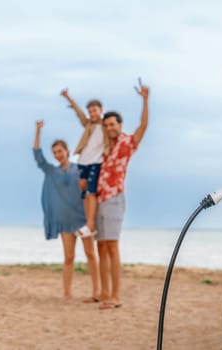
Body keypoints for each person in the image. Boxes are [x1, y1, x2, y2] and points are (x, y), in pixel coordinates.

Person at [95, 79, 149, 310]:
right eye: (106, 125)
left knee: (113, 246)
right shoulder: (103, 146)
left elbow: (143, 126)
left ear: (119, 124)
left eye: (112, 124)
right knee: (101, 247)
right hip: (98, 199)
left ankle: (116, 296)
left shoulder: (127, 142)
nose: (110, 128)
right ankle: (104, 292)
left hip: (115, 198)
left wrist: (145, 100)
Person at [33, 120, 100, 302]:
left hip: (83, 218)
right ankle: (67, 292)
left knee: (90, 254)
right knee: (69, 257)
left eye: (60, 151)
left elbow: (90, 189)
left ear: (67, 151)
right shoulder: (51, 171)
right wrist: (38, 130)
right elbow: (38, 156)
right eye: (54, 152)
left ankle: (96, 291)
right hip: (65, 220)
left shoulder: (79, 169)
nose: (57, 155)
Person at [60, 89, 109, 238]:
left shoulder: (107, 126)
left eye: (95, 110)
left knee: (91, 193)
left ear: (101, 110)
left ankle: (90, 225)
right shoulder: (88, 124)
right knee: (84, 195)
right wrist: (69, 98)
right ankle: (89, 225)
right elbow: (79, 112)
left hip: (96, 162)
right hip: (83, 162)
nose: (92, 114)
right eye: (90, 111)